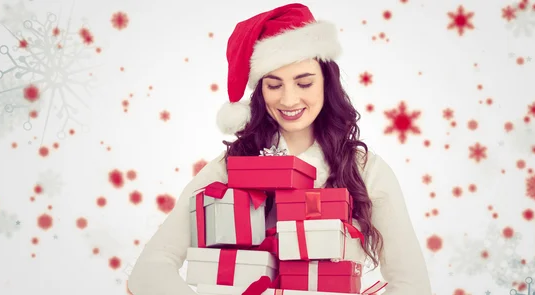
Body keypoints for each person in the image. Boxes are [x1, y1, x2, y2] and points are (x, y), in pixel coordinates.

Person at [128, 3, 432, 295]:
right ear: (260, 90)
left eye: (304, 83)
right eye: (274, 85)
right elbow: (150, 270)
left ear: (327, 82)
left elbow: (412, 285)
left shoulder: (365, 170)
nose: (288, 101)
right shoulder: (231, 166)